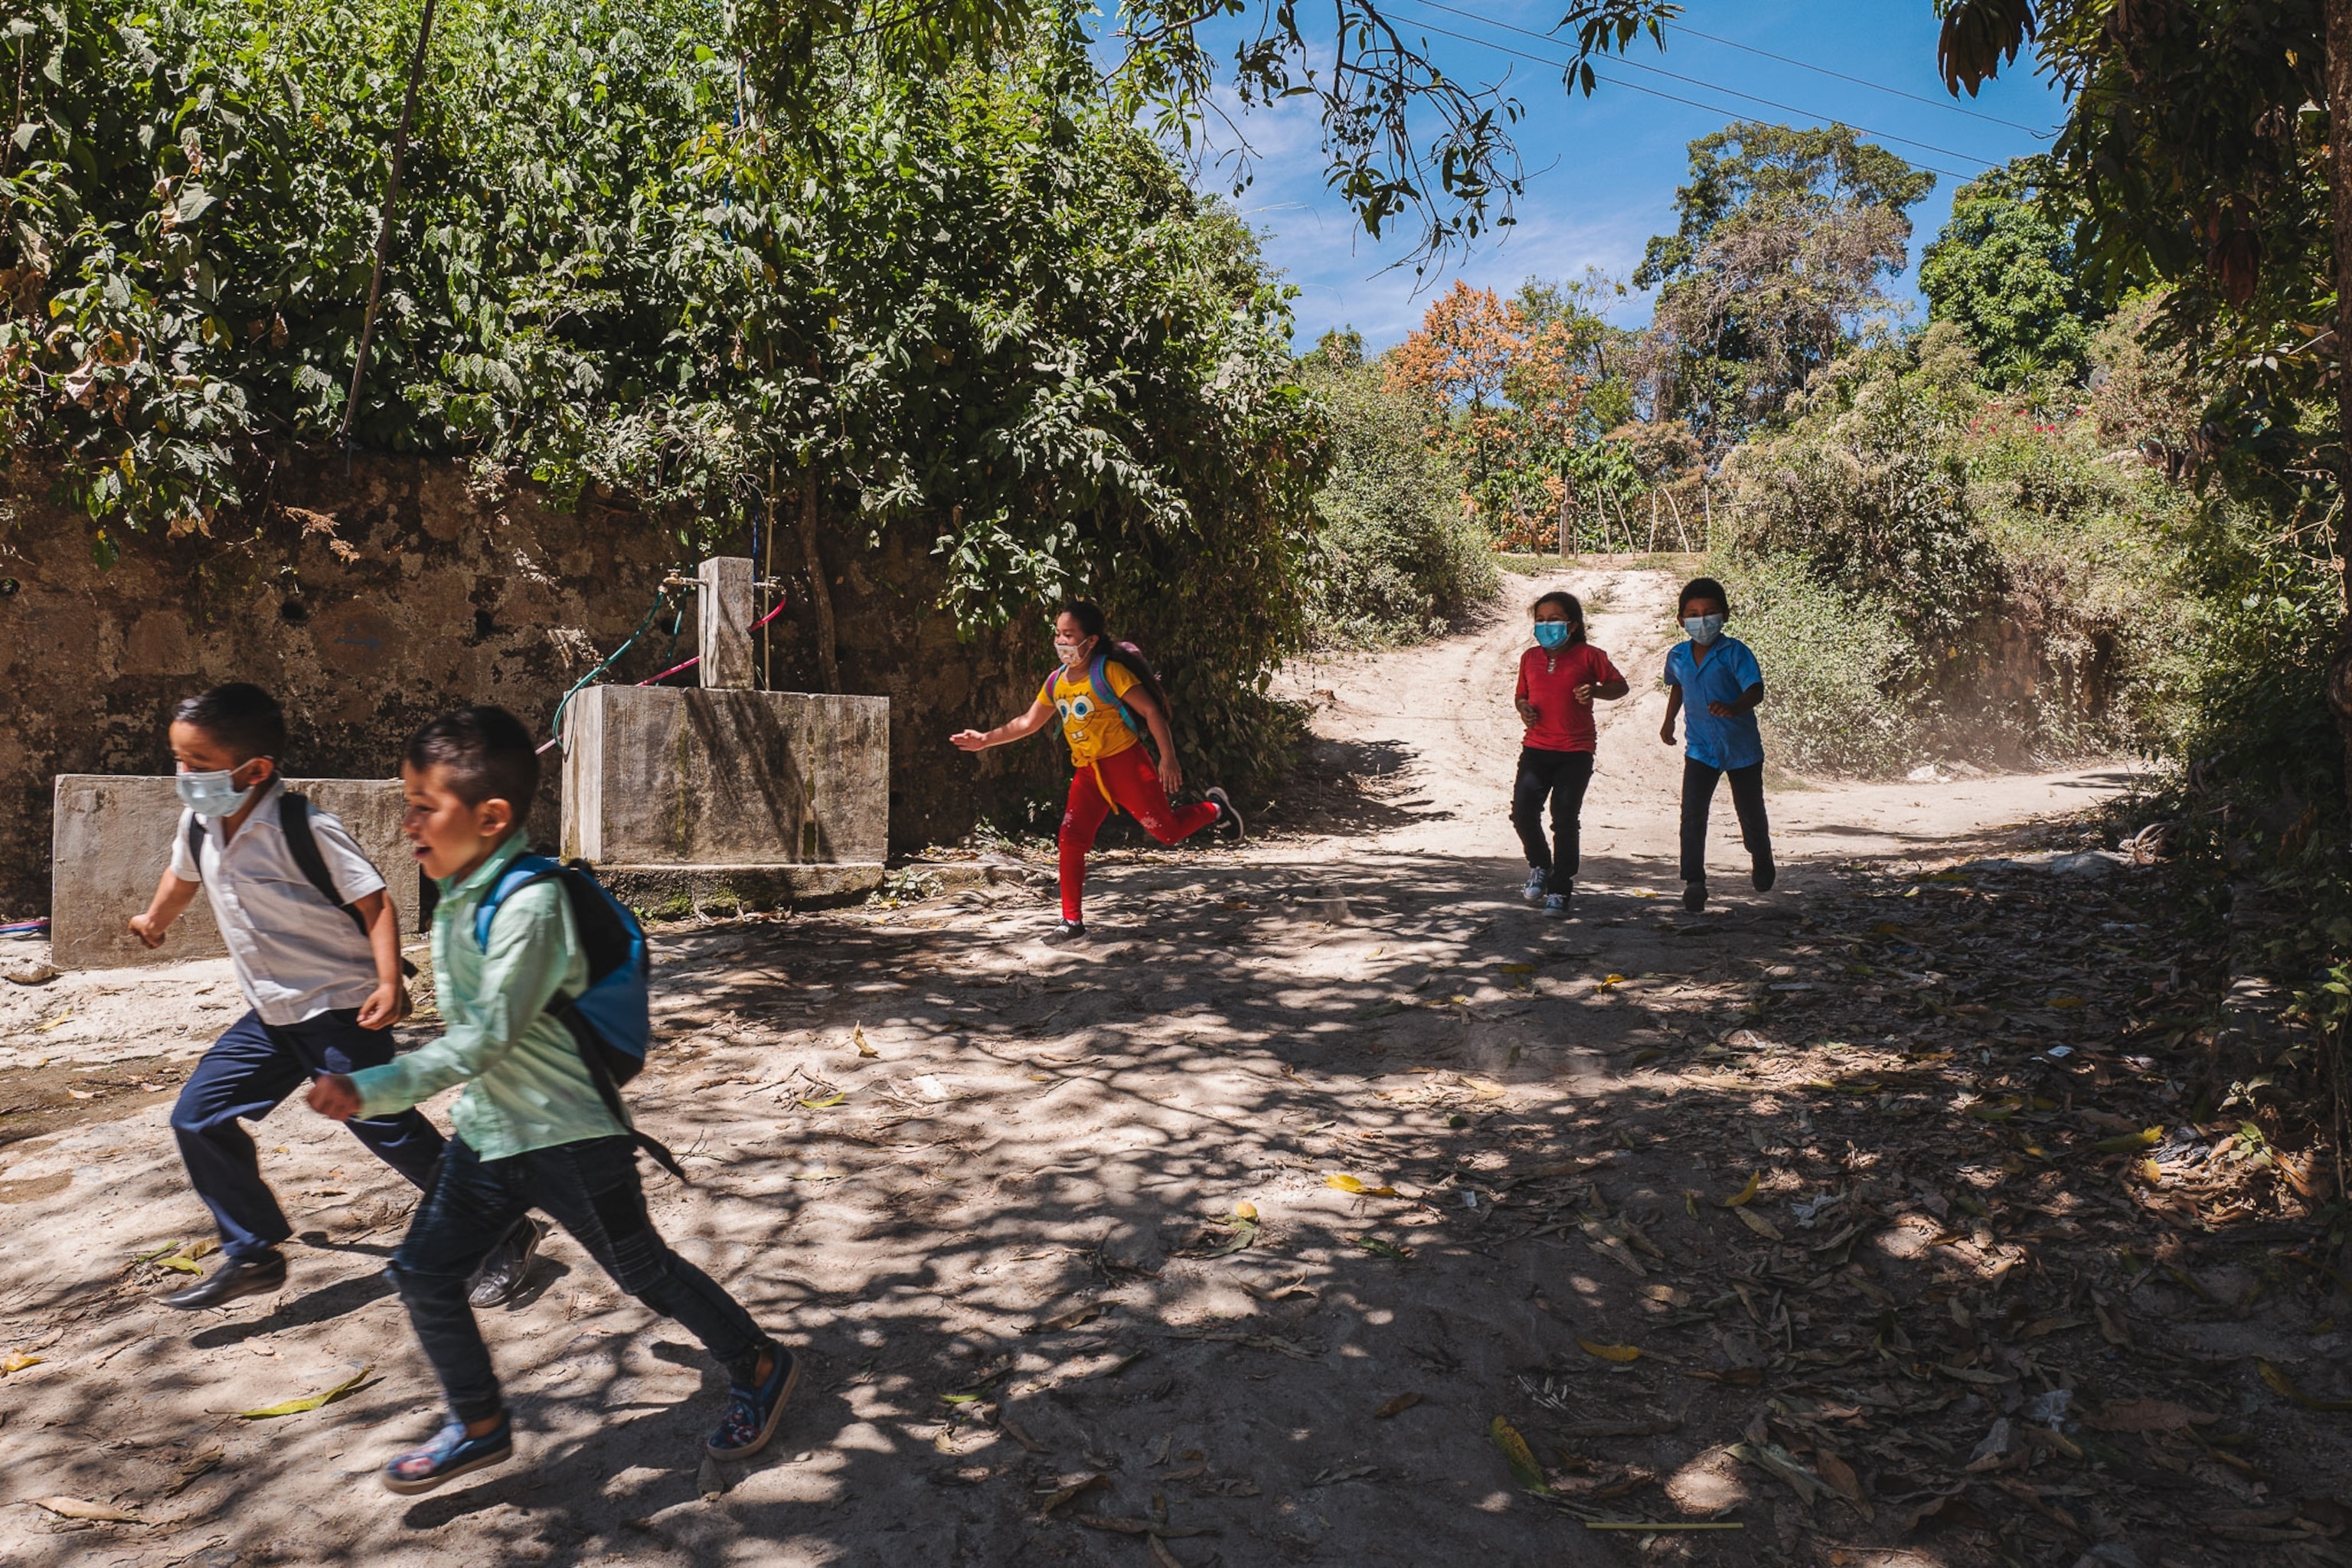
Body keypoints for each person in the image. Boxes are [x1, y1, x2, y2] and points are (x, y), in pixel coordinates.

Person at [305, 706, 791, 1494]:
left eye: (425, 805)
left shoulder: (531, 905)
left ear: (491, 816)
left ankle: (761, 1361)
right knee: (425, 1273)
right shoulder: (461, 893)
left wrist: (372, 1088)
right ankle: (481, 1422)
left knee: (645, 1272)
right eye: (409, 802)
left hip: (571, 1137)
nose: (408, 824)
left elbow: (481, 1040)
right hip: (490, 1135)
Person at [129, 684, 536, 1312]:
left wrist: (387, 983)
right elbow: (181, 876)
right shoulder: (200, 823)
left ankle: (503, 1225)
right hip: (271, 1012)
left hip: (339, 1009)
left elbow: (374, 903)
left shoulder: (306, 827)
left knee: (385, 1127)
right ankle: (253, 1251)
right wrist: (156, 919)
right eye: (178, 759)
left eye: (198, 764)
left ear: (256, 770)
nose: (183, 775)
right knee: (197, 1116)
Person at [949, 600, 1243, 941]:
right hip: (1088, 773)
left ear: (1091, 640)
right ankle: (1071, 923)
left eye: (1069, 635)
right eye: (1058, 634)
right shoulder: (1055, 682)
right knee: (1070, 840)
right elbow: (1028, 722)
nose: (1061, 642)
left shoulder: (1110, 672)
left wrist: (1168, 759)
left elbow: (1151, 712)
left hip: (1128, 766)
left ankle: (1216, 808)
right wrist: (985, 739)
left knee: (1167, 832)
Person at [1658, 577, 1774, 913]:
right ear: (1681, 620)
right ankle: (1694, 882)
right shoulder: (1677, 655)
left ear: (1725, 615)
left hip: (1741, 749)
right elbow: (1677, 687)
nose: (1702, 620)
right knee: (1692, 814)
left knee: (1749, 811)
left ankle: (1761, 854)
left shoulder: (1735, 652)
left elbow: (1756, 690)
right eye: (1693, 614)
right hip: (1700, 749)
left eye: (1710, 613)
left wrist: (1734, 707)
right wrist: (1668, 720)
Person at [1511, 591, 1628, 912]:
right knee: (1522, 811)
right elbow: (1520, 695)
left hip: (1576, 750)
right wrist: (1524, 709)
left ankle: (1560, 889)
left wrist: (1597, 690)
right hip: (1536, 747)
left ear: (1572, 625)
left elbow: (1621, 687)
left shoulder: (1591, 656)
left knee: (1563, 817)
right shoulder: (1530, 658)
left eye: (1555, 620)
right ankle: (1540, 866)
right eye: (1541, 620)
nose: (1547, 626)